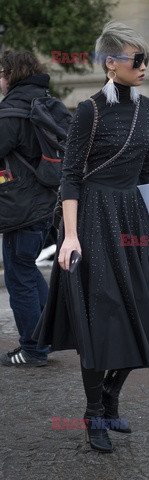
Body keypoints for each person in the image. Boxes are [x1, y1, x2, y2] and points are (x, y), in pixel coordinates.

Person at [34, 21, 149, 453]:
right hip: (93, 219)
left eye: (145, 59)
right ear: (111, 64)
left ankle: (111, 396)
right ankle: (94, 413)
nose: (144, 66)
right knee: (102, 317)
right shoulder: (89, 109)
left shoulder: (146, 107)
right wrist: (70, 237)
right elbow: (70, 177)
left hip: (134, 221)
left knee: (144, 311)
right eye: (137, 59)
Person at [0, 51, 56, 367]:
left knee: (19, 276)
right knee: (28, 270)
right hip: (43, 203)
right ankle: (48, 337)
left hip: (21, 209)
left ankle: (33, 348)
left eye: (0, 72)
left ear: (12, 74)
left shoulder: (11, 112)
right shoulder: (43, 102)